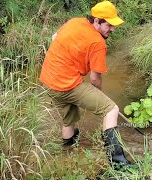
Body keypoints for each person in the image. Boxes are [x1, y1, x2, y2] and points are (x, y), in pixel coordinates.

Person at [39, 1, 130, 166]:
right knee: (110, 110)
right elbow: (95, 79)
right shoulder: (98, 43)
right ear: (96, 21)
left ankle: (68, 159)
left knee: (69, 121)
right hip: (67, 85)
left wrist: (65, 60)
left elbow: (54, 38)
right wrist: (99, 96)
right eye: (109, 25)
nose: (113, 29)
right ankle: (118, 164)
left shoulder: (75, 22)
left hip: (49, 80)